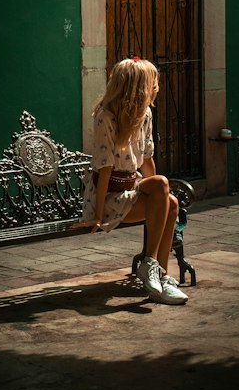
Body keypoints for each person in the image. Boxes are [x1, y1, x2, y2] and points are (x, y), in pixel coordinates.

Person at [80, 56, 188, 305]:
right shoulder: (105, 117)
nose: (156, 88)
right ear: (137, 86)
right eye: (152, 82)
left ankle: (158, 275)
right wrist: (96, 215)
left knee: (169, 199)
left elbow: (147, 158)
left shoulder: (145, 113)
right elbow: (105, 169)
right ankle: (154, 268)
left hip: (131, 191)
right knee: (163, 189)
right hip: (107, 198)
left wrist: (160, 199)